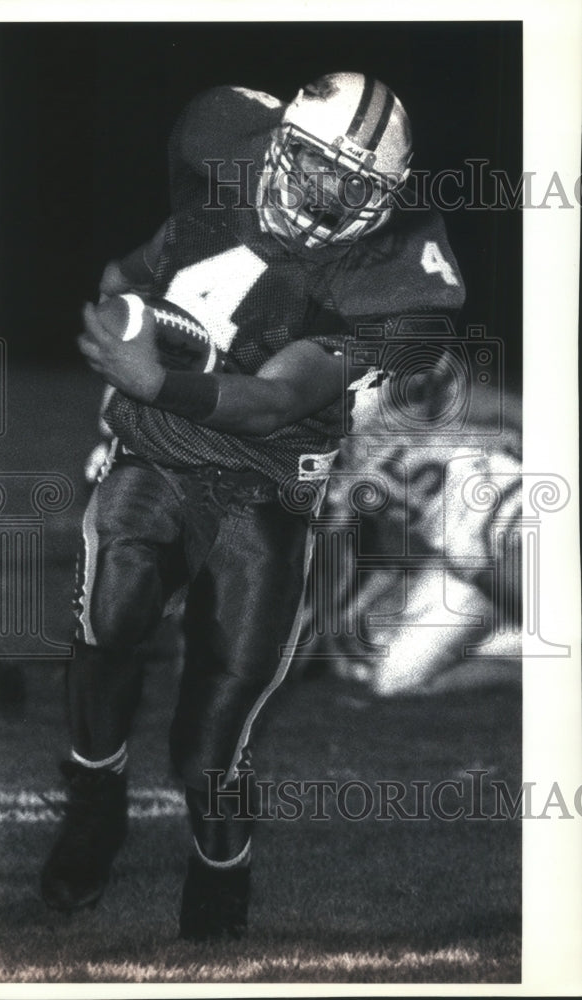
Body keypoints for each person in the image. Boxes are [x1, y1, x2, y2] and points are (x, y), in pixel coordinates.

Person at [40, 71, 465, 940]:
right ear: (276, 145)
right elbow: (136, 270)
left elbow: (274, 401)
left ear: (385, 198)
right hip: (161, 448)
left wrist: (155, 376)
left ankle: (221, 866)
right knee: (107, 623)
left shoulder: (398, 280)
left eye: (351, 185)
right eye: (314, 166)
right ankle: (94, 794)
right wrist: (131, 317)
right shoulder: (219, 137)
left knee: (211, 735)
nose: (325, 194)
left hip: (267, 481)